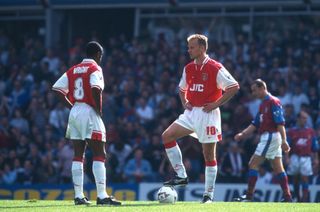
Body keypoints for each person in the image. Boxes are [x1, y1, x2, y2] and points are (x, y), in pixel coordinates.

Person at [162, 34, 239, 203]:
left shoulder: (215, 67)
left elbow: (233, 87)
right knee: (167, 136)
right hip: (191, 113)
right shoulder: (188, 68)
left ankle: (208, 196)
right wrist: (184, 101)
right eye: (188, 47)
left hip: (208, 114)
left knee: (209, 155)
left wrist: (216, 104)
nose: (188, 50)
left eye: (191, 47)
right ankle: (181, 175)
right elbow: (182, 88)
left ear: (202, 48)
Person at [52, 41, 121, 206]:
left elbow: (57, 89)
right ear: (98, 54)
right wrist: (99, 109)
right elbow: (96, 88)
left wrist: (72, 106)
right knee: (99, 153)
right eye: (101, 56)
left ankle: (78, 196)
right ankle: (102, 196)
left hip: (75, 111)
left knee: (78, 154)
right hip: (89, 111)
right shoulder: (95, 69)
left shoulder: (74, 69)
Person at [233, 79, 292, 202]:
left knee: (253, 164)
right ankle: (287, 197)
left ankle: (249, 196)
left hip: (270, 136)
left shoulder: (273, 101)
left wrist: (284, 140)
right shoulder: (262, 104)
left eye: (255, 90)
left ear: (262, 88)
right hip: (270, 137)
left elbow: (280, 123)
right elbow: (255, 123)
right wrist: (242, 134)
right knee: (278, 168)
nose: (253, 93)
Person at [287, 111, 319, 202]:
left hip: (306, 158)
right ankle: (298, 197)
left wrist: (316, 159)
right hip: (295, 157)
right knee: (296, 180)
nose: (305, 120)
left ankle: (304, 201)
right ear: (298, 118)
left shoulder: (310, 131)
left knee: (305, 178)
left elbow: (314, 147)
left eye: (306, 118)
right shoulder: (291, 131)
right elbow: (287, 146)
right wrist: (287, 157)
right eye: (303, 118)